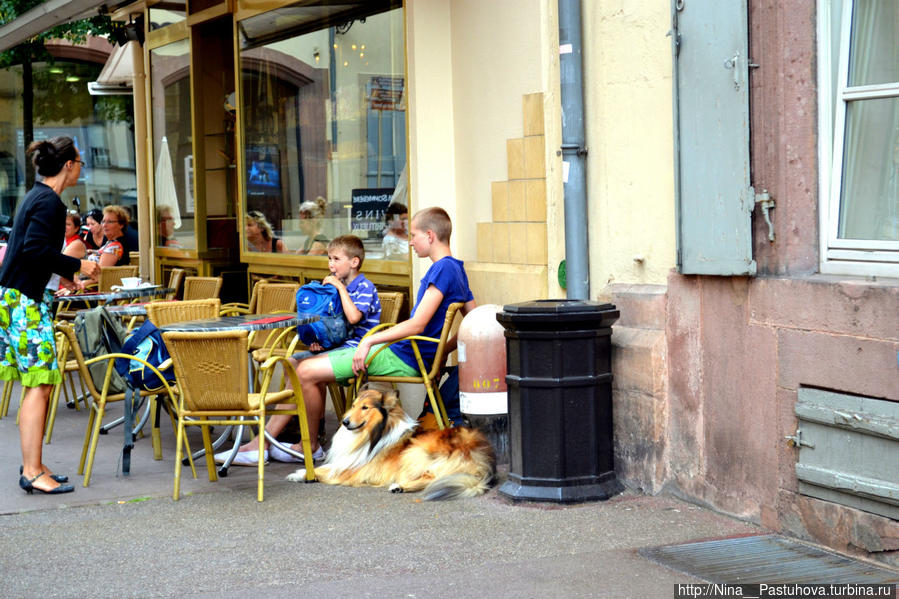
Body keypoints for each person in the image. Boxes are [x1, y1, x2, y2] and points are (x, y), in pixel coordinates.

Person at [215, 234, 382, 465]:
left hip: (358, 350)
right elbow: (334, 327)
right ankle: (305, 438)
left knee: (302, 370)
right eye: (329, 258)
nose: (330, 264)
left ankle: (271, 442)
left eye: (336, 259)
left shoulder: (363, 286)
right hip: (340, 347)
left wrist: (339, 289)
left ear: (354, 262)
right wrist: (320, 342)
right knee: (292, 362)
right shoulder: (338, 286)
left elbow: (354, 318)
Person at [0, 136, 99, 494]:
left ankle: (36, 464)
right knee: (39, 384)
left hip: (16, 297)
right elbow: (35, 249)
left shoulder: (35, 196)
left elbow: (30, 252)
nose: (80, 170)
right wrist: (79, 264)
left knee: (37, 383)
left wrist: (63, 277)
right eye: (79, 163)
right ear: (69, 165)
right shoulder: (50, 203)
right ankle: (31, 470)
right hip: (24, 301)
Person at [85, 205, 131, 273]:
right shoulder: (111, 242)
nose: (104, 225)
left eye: (109, 222)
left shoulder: (116, 246)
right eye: (103, 221)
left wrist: (81, 283)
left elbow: (99, 275)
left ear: (121, 225)